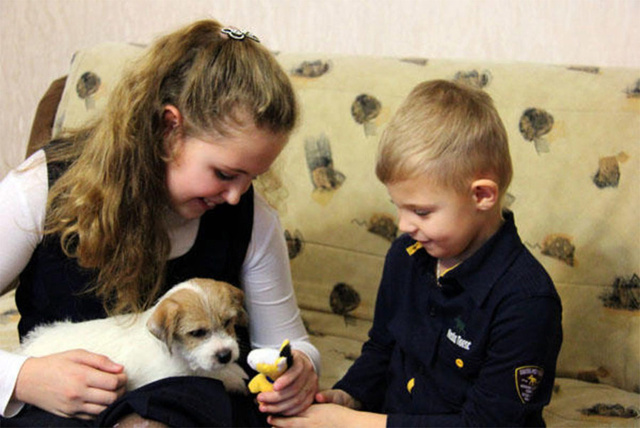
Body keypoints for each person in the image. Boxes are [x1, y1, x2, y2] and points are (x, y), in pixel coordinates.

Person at [0, 19, 319, 427]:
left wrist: (300, 368)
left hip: (185, 407)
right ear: (170, 128)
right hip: (63, 411)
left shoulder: (250, 218)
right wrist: (22, 378)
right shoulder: (43, 187)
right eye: (224, 173)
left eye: (251, 177)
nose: (237, 196)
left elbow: (285, 343)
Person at [270, 80, 563, 427]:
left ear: (482, 195)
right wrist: (347, 397)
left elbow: (486, 424)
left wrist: (351, 424)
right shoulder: (406, 256)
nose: (404, 225)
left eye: (421, 212)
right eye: (398, 207)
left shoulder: (527, 300)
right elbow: (382, 348)